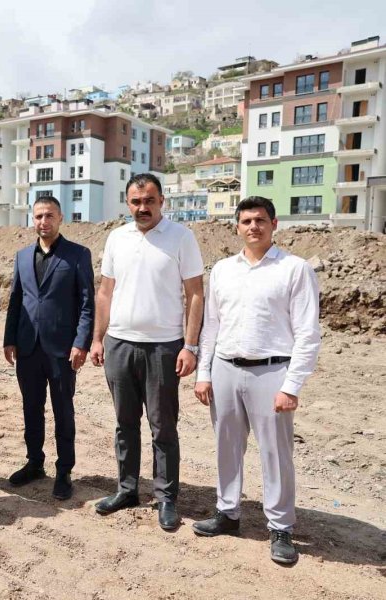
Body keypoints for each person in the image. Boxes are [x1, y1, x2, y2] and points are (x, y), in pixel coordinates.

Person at [192, 196, 320, 565]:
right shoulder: (223, 270)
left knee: (276, 453)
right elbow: (211, 326)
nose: (253, 227)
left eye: (260, 220)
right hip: (225, 368)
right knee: (226, 446)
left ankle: (280, 527)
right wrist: (204, 373)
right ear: (237, 227)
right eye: (246, 221)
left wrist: (291, 386)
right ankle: (227, 512)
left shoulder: (294, 269)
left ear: (274, 225)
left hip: (272, 371)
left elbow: (307, 332)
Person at [89, 172, 204, 531]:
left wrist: (190, 345)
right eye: (136, 202)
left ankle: (166, 497)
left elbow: (195, 294)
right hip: (120, 344)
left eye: (149, 201)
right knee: (125, 423)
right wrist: (98, 338)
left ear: (161, 202)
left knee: (163, 426)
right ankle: (127, 490)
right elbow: (105, 292)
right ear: (128, 203)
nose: (143, 208)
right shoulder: (116, 238)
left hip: (164, 348)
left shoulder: (181, 237)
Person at [3, 196, 94, 500]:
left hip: (62, 350)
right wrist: (9, 338)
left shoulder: (77, 254)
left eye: (49, 215)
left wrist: (81, 342)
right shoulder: (22, 256)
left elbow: (87, 303)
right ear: (33, 219)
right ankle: (34, 462)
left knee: (63, 411)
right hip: (28, 347)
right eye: (39, 216)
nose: (44, 221)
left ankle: (64, 470)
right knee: (31, 408)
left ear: (60, 218)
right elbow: (16, 300)